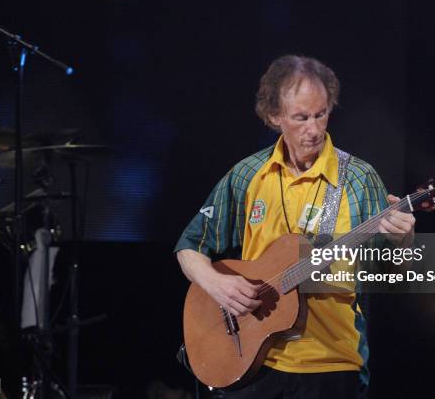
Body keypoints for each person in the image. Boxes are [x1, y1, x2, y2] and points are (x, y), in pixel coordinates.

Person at [175, 55, 415, 398]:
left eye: (321, 114)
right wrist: (217, 285)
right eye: (301, 118)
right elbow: (189, 247)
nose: (314, 129)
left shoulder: (358, 179)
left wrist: (404, 241)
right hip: (253, 361)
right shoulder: (247, 175)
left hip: (331, 363)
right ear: (275, 117)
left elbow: (391, 275)